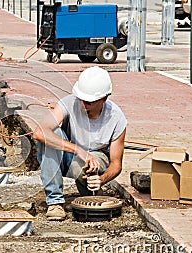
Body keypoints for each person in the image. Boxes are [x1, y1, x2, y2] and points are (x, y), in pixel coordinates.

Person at [32, 66, 127, 221]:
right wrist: (78, 150)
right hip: (68, 156)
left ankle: (91, 193)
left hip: (95, 160)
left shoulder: (116, 119)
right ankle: (55, 202)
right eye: (81, 99)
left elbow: (116, 164)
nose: (83, 105)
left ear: (104, 99)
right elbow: (39, 132)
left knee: (89, 166)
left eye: (89, 102)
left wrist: (102, 180)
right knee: (51, 135)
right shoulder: (70, 103)